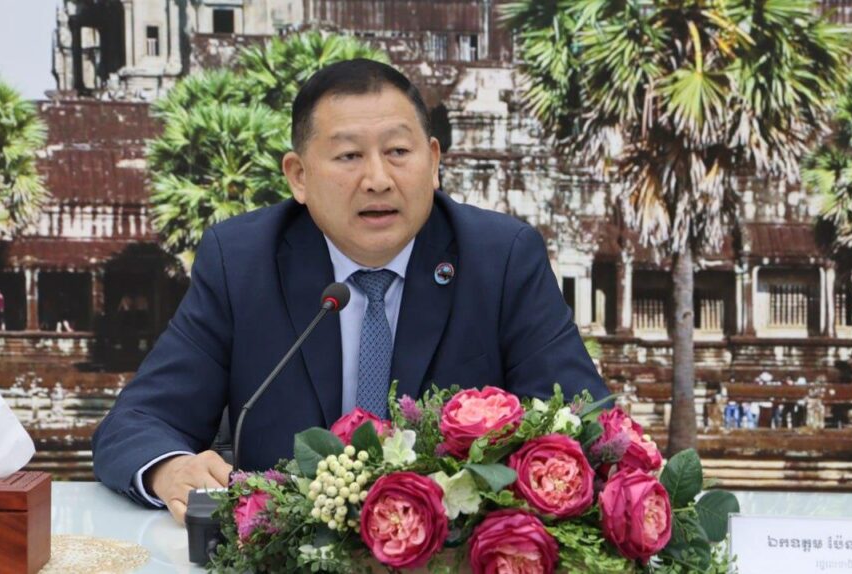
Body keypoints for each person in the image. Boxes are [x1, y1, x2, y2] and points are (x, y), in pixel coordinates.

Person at [92, 59, 609, 523]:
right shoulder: (242, 261)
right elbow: (138, 422)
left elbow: (589, 427)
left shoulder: (500, 259)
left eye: (398, 151)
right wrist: (170, 469)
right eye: (348, 156)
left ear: (433, 163)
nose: (377, 179)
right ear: (298, 176)